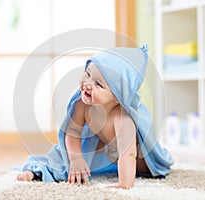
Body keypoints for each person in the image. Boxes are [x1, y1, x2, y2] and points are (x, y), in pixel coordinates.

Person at [17, 45, 174, 189]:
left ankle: (136, 168)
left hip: (135, 155)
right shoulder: (82, 104)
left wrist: (124, 185)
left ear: (118, 98)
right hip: (104, 149)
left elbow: (128, 154)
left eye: (98, 84)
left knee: (144, 167)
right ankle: (37, 171)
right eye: (88, 73)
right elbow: (72, 131)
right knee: (64, 158)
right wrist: (76, 160)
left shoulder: (123, 119)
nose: (87, 83)